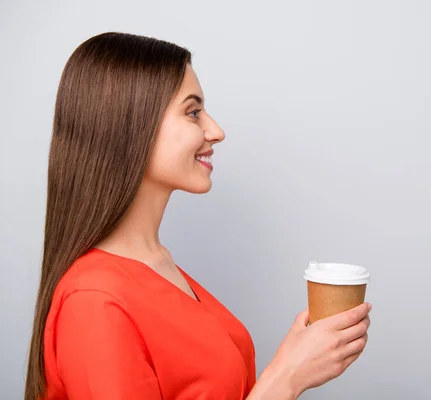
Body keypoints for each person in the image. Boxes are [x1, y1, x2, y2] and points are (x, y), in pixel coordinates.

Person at [24, 31, 372, 400]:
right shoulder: (94, 300)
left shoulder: (157, 264)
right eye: (193, 112)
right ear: (131, 126)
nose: (215, 131)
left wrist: (297, 361)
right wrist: (287, 378)